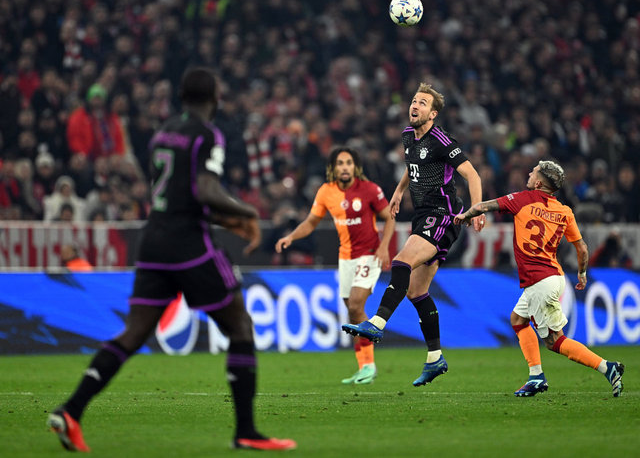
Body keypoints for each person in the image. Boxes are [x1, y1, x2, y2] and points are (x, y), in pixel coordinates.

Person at [47, 67, 296, 452]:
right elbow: (204, 190)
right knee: (240, 326)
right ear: (215, 98)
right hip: (190, 246)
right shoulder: (207, 135)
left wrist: (228, 218)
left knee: (133, 333)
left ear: (181, 96)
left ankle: (71, 410)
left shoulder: (162, 134)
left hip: (153, 243)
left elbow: (179, 193)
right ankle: (246, 431)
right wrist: (247, 212)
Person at [342, 83, 485, 386]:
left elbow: (472, 174)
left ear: (433, 113)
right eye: (414, 100)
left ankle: (377, 322)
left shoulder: (442, 141)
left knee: (401, 261)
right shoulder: (409, 135)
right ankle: (435, 358)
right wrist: (398, 192)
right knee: (416, 292)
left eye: (422, 103)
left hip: (443, 213)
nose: (415, 105)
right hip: (422, 215)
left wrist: (477, 209)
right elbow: (412, 165)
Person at [453, 160, 624, 397]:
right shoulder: (564, 211)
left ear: (539, 183)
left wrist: (465, 216)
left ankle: (607, 368)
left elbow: (484, 206)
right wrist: (582, 274)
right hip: (553, 276)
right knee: (517, 320)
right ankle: (536, 376)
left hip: (539, 281)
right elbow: (582, 249)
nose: (529, 173)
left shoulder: (522, 199)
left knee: (555, 341)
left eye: (533, 172)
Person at [275, 147, 394, 384]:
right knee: (353, 313)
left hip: (369, 254)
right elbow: (311, 222)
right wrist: (291, 237)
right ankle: (364, 367)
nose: (345, 167)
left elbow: (389, 216)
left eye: (349, 162)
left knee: (357, 304)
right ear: (333, 168)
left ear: (355, 167)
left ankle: (370, 363)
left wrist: (384, 248)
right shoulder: (326, 192)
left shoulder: (370, 189)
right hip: (345, 258)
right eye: (340, 163)